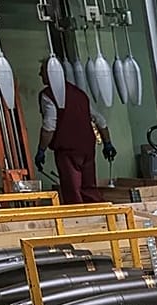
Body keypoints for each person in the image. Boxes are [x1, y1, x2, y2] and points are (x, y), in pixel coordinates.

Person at [36, 61, 116, 204]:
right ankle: (98, 215)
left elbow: (49, 127)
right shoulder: (79, 94)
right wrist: (107, 143)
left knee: (72, 189)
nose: (40, 74)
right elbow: (100, 120)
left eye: (42, 71)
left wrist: (41, 150)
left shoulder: (48, 96)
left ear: (50, 74)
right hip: (87, 148)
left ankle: (79, 219)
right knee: (89, 186)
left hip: (67, 150)